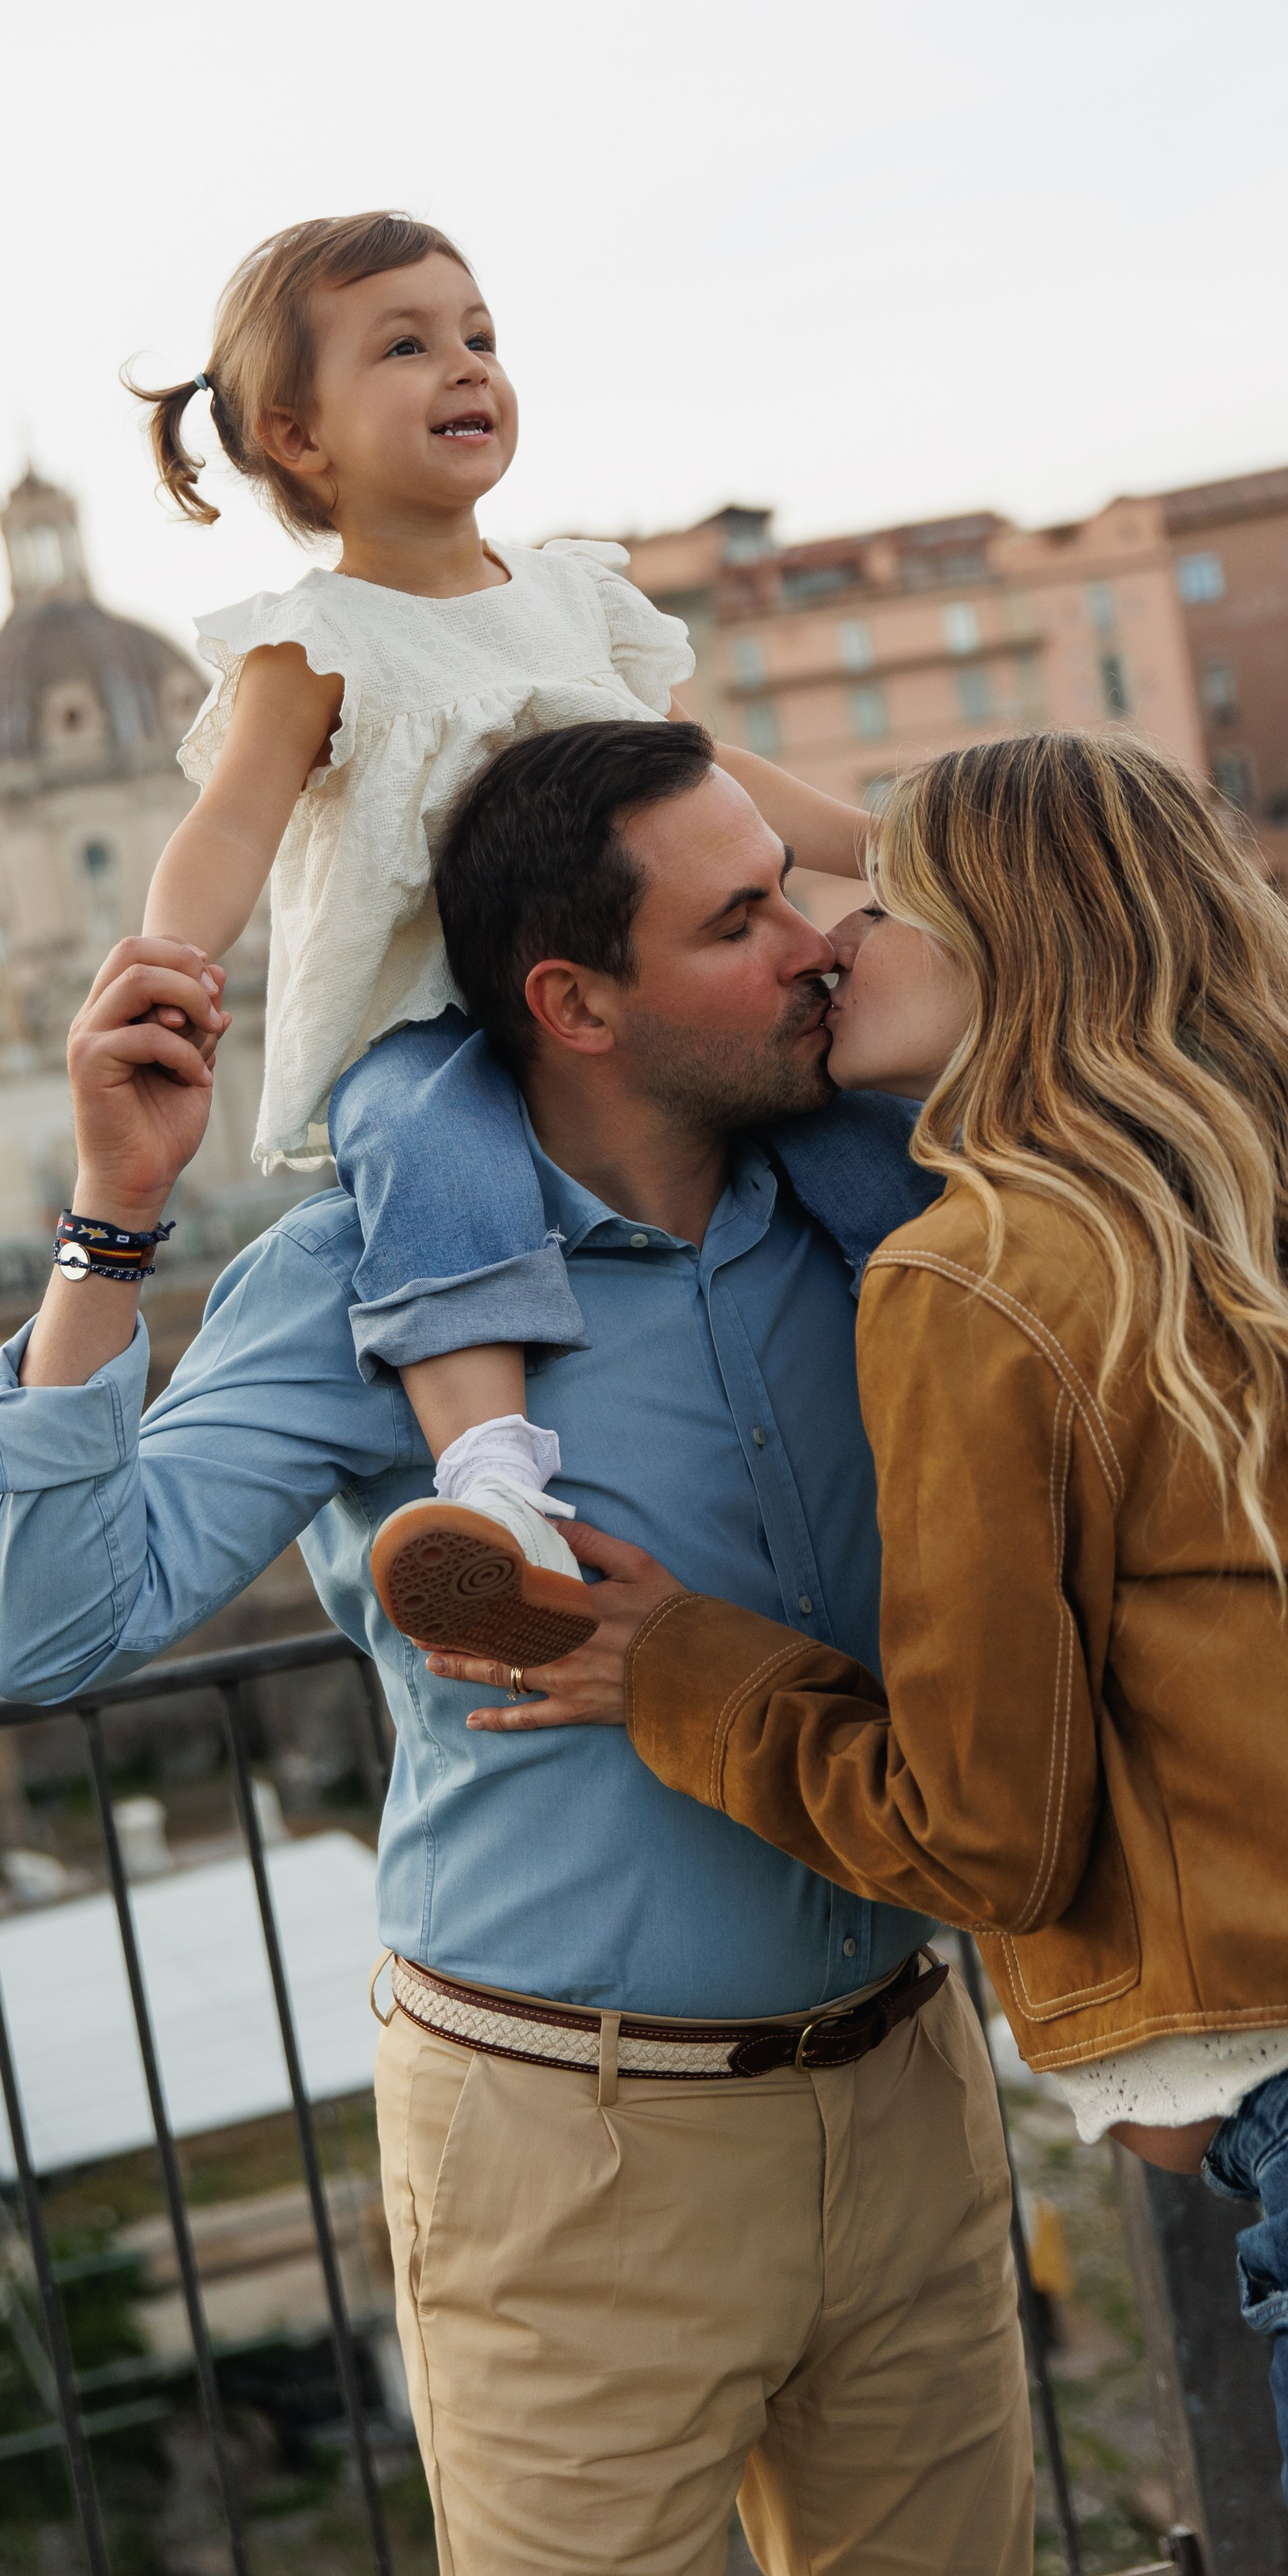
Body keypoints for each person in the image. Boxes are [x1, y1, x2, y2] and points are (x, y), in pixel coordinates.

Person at [0, 719, 1032, 2576]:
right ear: (577, 1001)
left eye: (790, 892)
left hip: (910, 2087)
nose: (812, 942)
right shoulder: (363, 1268)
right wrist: (112, 1220)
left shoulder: (897, 1207)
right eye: (740, 921)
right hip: (571, 2158)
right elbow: (53, 1629)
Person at [427, 731, 1288, 2576]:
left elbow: (980, 1827)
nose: (833, 936)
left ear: (1010, 946)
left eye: (881, 899)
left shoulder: (979, 1277)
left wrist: (681, 1671)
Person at [127, 209, 876, 1657]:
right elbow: (233, 821)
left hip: (630, 1008)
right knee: (436, 1175)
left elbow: (708, 770)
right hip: (436, 1025)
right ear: (298, 434)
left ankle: (1010, 1363)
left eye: (478, 335)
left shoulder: (571, 595)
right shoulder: (313, 638)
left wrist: (882, 841)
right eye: (405, 346)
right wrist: (172, 957)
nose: (465, 366)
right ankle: (493, 1490)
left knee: (856, 1135)